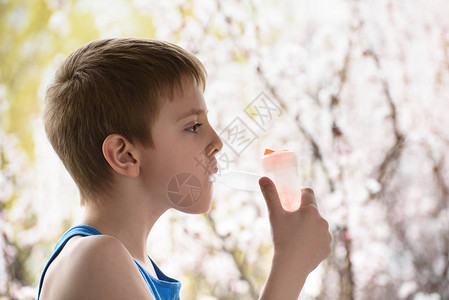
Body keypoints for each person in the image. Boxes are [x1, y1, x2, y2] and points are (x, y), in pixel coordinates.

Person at [37, 38, 332, 300]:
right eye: (193, 126)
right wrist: (291, 265)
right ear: (125, 155)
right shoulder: (95, 259)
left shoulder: (135, 266)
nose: (217, 141)